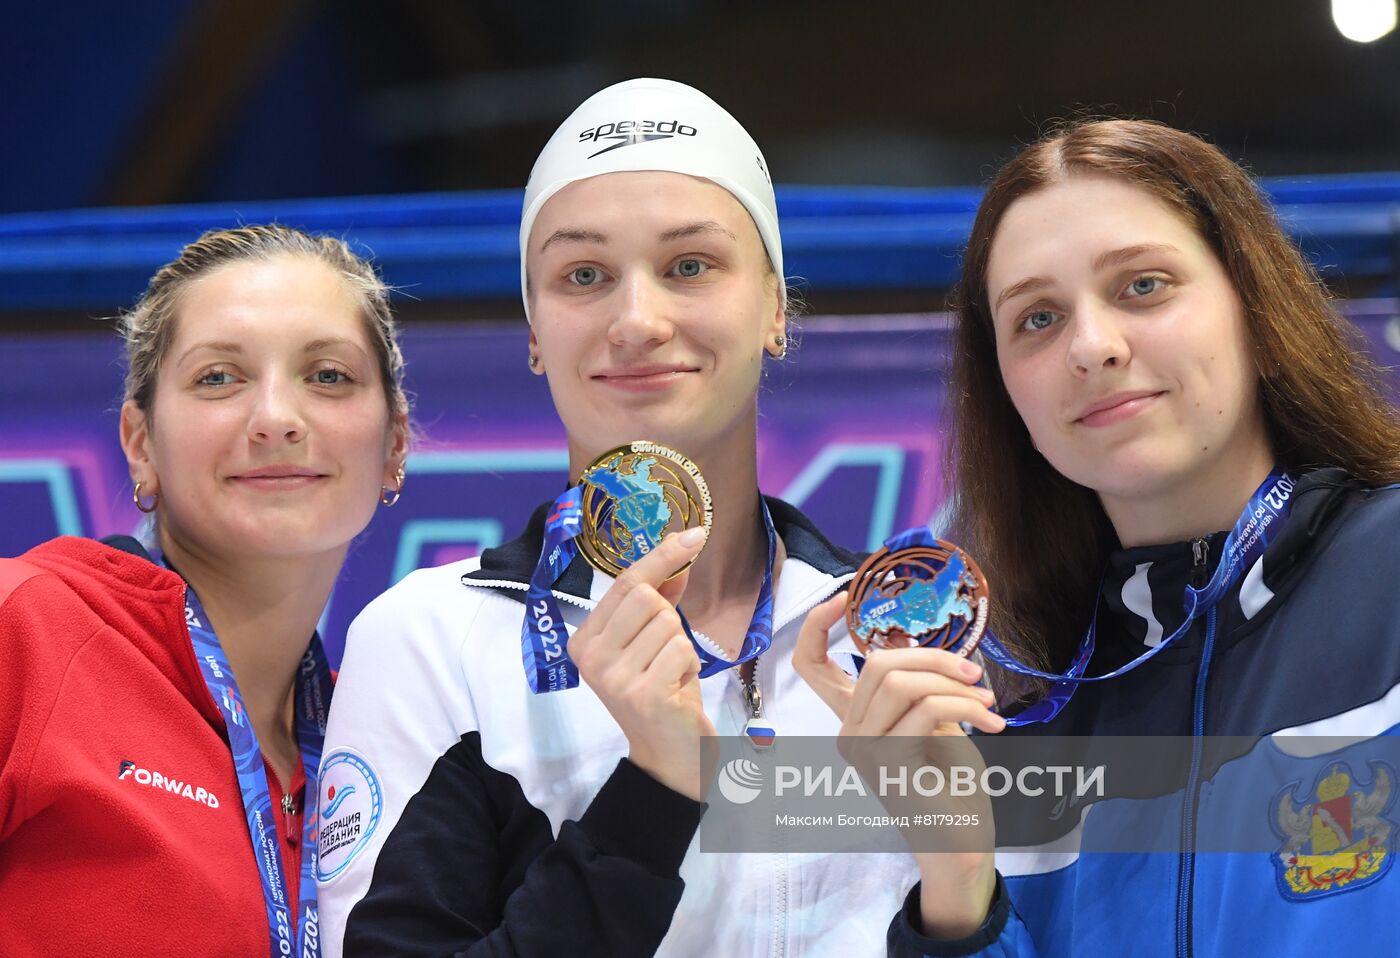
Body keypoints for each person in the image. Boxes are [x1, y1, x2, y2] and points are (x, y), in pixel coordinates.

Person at [317, 78, 920, 957]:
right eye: (585, 275)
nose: (637, 320)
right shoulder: (432, 643)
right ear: (534, 332)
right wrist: (656, 788)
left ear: (776, 309)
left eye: (689, 266)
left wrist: (961, 885)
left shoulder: (897, 635)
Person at [797, 119, 1400, 957]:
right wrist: (958, 881)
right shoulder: (1006, 704)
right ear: (1006, 390)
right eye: (1037, 319)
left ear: (1257, 312)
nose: (1092, 346)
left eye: (1143, 286)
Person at [0, 225, 411, 957]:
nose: (277, 420)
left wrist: (678, 775)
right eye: (219, 377)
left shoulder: (376, 734)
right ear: (140, 443)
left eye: (328, 375)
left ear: (395, 444)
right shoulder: (25, 627)